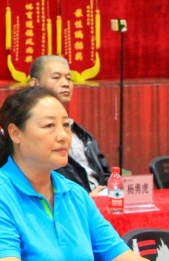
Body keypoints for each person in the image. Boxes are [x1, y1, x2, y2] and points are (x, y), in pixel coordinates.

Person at [0, 87, 166, 261]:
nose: (63, 136)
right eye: (49, 126)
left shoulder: (75, 194)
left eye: (66, 125)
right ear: (15, 133)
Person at [29, 55, 111, 195]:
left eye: (68, 78)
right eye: (56, 77)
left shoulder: (80, 133)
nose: (65, 83)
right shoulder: (31, 133)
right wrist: (86, 200)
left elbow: (105, 173)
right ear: (35, 84)